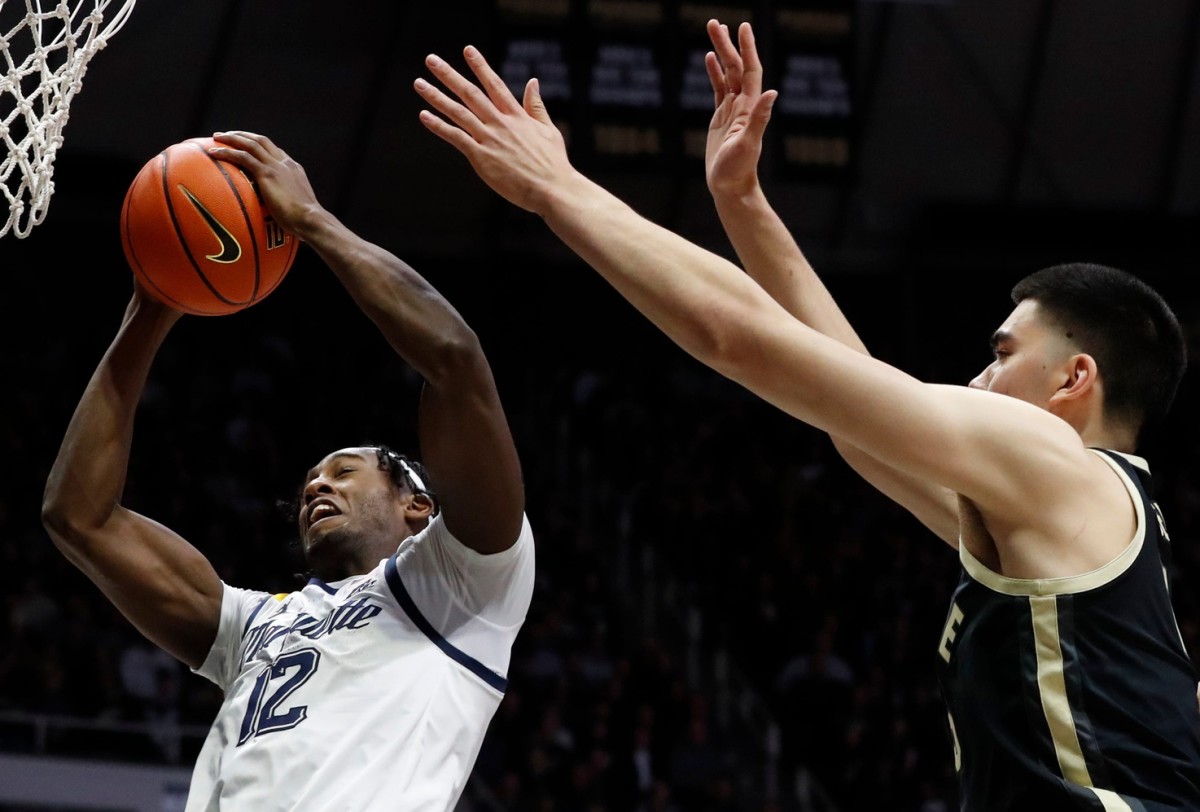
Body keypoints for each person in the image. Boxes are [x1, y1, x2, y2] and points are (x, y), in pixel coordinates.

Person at [411, 22, 1200, 811]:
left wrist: (560, 189)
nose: (978, 377)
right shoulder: (1082, 516)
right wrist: (744, 202)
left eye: (1001, 354)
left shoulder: (1052, 461)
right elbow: (859, 429)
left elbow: (740, 339)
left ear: (1075, 378)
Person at [41, 130, 535, 811]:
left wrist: (310, 221)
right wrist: (150, 308)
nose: (316, 484)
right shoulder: (253, 626)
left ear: (417, 505)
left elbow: (453, 359)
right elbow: (80, 518)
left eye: (343, 469)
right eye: (312, 477)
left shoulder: (461, 587)